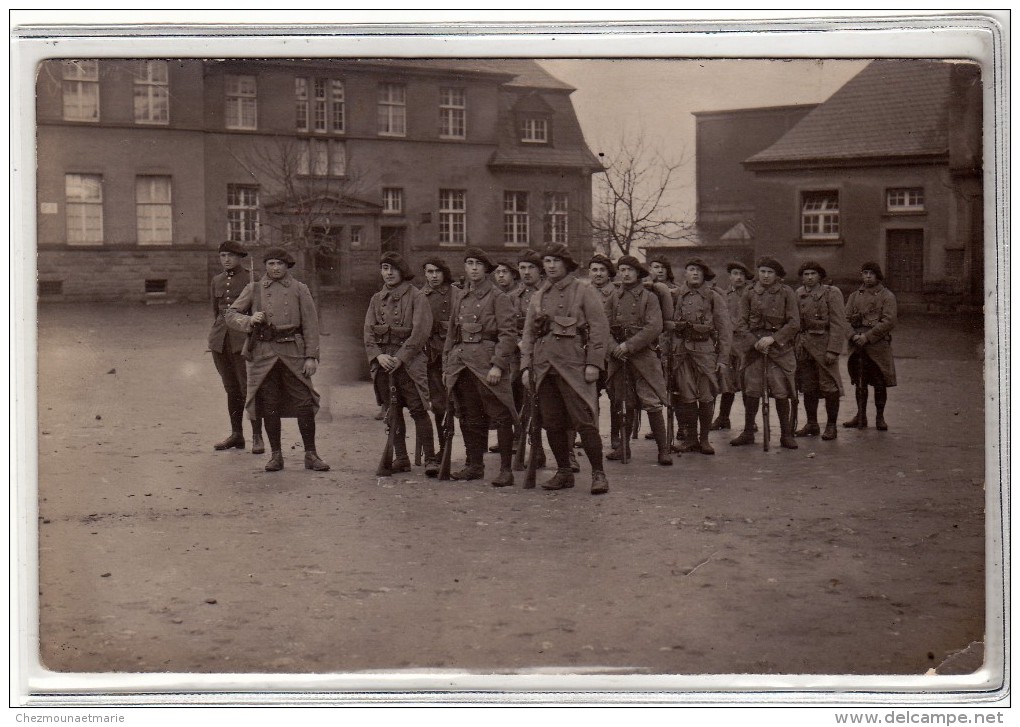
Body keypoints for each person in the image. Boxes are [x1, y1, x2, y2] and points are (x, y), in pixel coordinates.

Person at [225, 248, 328, 472]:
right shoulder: (254, 289)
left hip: (293, 352)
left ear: (287, 266)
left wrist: (311, 356)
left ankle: (311, 454)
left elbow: (311, 325)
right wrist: (250, 319)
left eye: (279, 263)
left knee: (304, 402)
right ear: (265, 266)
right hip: (263, 353)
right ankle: (276, 456)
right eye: (271, 263)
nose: (275, 268)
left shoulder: (300, 289)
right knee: (269, 404)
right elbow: (230, 315)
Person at [521, 243, 611, 494]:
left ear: (566, 264)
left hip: (574, 367)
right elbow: (528, 334)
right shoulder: (539, 296)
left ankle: (598, 474)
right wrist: (525, 368)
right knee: (552, 422)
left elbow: (599, 329)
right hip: (544, 368)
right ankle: (563, 472)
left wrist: (594, 363)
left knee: (584, 421)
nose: (550, 266)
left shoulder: (583, 291)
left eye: (555, 261)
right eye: (547, 262)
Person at [442, 247, 518, 486]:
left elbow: (508, 335)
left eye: (478, 264)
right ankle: (474, 465)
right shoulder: (461, 297)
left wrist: (497, 365)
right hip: (462, 364)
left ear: (487, 269)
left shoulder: (498, 297)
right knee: (468, 415)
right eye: (469, 263)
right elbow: (452, 335)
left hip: (487, 366)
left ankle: (506, 469)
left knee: (501, 415)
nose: (473, 268)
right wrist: (447, 366)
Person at [364, 252, 437, 476]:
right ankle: (401, 458)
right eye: (385, 268)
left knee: (418, 409)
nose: (388, 273)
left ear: (402, 272)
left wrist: (401, 358)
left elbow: (421, 332)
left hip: (410, 364)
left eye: (393, 269)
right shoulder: (376, 299)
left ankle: (431, 458)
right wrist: (378, 356)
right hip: (384, 364)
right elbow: (368, 332)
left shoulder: (417, 297)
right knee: (392, 412)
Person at [604, 256, 672, 466]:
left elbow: (654, 327)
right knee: (624, 402)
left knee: (651, 401)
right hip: (619, 357)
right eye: (622, 270)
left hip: (643, 357)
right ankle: (623, 447)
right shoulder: (613, 298)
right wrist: (614, 347)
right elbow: (603, 327)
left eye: (629, 270)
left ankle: (663, 450)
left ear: (638, 273)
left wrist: (629, 346)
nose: (625, 274)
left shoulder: (649, 298)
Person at [730, 256, 801, 450]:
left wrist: (773, 339)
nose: (766, 276)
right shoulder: (749, 293)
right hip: (755, 350)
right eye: (762, 271)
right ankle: (748, 432)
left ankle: (786, 434)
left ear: (777, 275)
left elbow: (794, 323)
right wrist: (756, 343)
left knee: (780, 390)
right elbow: (741, 323)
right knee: (752, 390)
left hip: (780, 349)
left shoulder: (787, 293)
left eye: (770, 272)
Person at [670, 257, 733, 455]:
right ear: (685, 273)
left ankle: (704, 439)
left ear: (704, 275)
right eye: (691, 269)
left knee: (706, 395)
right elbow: (666, 327)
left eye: (698, 270)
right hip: (681, 352)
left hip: (705, 352)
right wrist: (666, 354)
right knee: (685, 396)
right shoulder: (675, 295)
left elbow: (725, 330)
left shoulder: (713, 297)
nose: (695, 273)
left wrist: (723, 359)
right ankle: (690, 439)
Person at [209, 240, 264, 454]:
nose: (226, 260)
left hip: (243, 341)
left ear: (240, 257)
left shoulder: (252, 279)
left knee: (248, 389)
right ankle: (236, 434)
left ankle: (257, 436)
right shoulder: (217, 280)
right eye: (222, 256)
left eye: (230, 256)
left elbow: (258, 311)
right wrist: (216, 337)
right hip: (220, 342)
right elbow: (216, 312)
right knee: (231, 389)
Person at [793, 260, 848, 441]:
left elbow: (839, 323)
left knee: (829, 386)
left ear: (820, 276)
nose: (809, 278)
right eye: (806, 274)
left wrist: (834, 349)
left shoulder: (831, 293)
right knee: (808, 387)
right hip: (803, 347)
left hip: (824, 347)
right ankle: (812, 423)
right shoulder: (798, 294)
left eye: (813, 274)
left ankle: (831, 426)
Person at [843, 261, 897, 431]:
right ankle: (861, 415)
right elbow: (844, 319)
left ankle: (879, 417)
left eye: (871, 273)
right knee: (860, 382)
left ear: (878, 276)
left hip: (877, 346)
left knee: (879, 382)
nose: (867, 276)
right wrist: (852, 335)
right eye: (864, 273)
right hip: (857, 346)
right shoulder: (854, 296)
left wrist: (867, 337)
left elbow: (889, 321)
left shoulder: (887, 296)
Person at [507, 249, 548, 470]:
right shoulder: (512, 298)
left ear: (540, 270)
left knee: (550, 401)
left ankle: (567, 453)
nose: (526, 272)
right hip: (518, 356)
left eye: (530, 267)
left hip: (545, 354)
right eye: (522, 268)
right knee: (520, 398)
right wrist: (519, 341)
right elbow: (506, 326)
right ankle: (528, 444)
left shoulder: (548, 294)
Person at [711, 261, 753, 431]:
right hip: (728, 345)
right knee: (726, 382)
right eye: (735, 273)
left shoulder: (751, 294)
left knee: (747, 383)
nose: (738, 277)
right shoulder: (723, 295)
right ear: (730, 276)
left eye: (742, 274)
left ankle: (750, 422)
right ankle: (723, 418)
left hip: (745, 344)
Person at [421, 256, 453, 454]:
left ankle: (473, 452)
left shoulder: (456, 294)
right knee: (439, 406)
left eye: (437, 272)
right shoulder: (420, 296)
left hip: (456, 358)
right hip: (432, 358)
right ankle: (444, 448)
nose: (433, 276)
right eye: (429, 272)